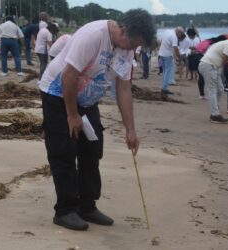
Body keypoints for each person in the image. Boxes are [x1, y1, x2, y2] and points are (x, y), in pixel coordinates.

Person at [38, 8, 155, 231]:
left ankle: (87, 205)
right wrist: (72, 115)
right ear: (125, 30)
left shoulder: (128, 48)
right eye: (133, 44)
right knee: (64, 149)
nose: (133, 50)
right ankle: (65, 210)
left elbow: (124, 89)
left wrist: (130, 130)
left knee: (92, 148)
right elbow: (69, 76)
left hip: (87, 99)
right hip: (57, 92)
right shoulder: (93, 35)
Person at [198, 35, 228, 123]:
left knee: (220, 89)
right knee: (212, 90)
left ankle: (214, 113)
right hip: (208, 65)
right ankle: (215, 115)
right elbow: (226, 62)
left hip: (213, 67)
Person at [158, 27, 185, 95]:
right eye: (180, 34)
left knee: (164, 71)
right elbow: (175, 48)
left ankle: (164, 87)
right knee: (167, 72)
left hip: (161, 54)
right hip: (167, 55)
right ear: (178, 32)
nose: (179, 36)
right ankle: (164, 89)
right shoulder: (174, 36)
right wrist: (179, 57)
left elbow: (161, 41)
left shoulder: (167, 31)